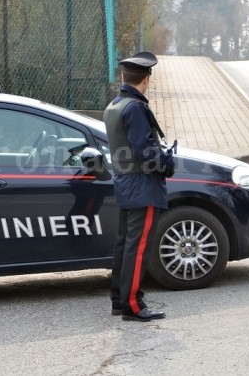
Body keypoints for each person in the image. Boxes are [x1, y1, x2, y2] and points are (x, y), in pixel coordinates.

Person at [103, 51, 174, 322]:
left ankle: (119, 300)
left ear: (124, 76)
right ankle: (133, 304)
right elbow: (145, 151)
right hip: (143, 186)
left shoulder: (115, 105)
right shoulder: (135, 107)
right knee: (138, 247)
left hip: (126, 184)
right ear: (146, 79)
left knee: (125, 246)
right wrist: (167, 163)